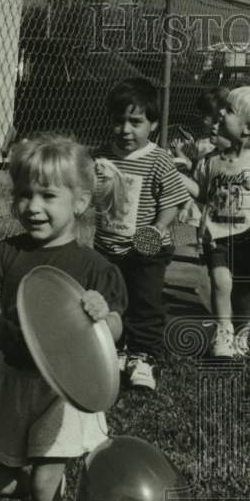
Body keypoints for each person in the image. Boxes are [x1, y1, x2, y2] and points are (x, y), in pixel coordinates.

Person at [0, 134, 128, 501]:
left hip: (64, 389)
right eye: (24, 194)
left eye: (47, 196)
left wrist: (100, 315)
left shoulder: (95, 268)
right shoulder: (2, 256)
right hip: (14, 381)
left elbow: (113, 327)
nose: (32, 206)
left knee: (44, 477)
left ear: (78, 202)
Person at [92, 77, 189, 392]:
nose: (125, 129)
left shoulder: (158, 159)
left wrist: (158, 228)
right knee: (112, 300)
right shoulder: (102, 156)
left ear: (153, 125)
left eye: (135, 122)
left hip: (147, 248)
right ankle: (117, 351)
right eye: (119, 121)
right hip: (108, 245)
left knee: (145, 301)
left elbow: (173, 200)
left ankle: (143, 357)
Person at [182, 86, 250, 357]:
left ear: (247, 128)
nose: (221, 112)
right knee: (220, 282)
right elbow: (202, 192)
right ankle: (223, 331)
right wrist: (177, 177)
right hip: (217, 233)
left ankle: (242, 330)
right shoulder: (210, 161)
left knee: (243, 290)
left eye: (229, 110)